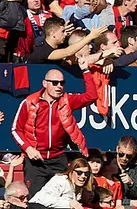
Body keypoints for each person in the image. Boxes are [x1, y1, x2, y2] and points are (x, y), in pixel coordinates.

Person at [11, 63, 98, 197]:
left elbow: (91, 96)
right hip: (35, 161)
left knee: (64, 198)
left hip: (58, 158)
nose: (59, 86)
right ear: (45, 83)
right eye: (55, 83)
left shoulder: (67, 100)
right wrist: (28, 148)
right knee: (35, 200)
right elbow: (16, 130)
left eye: (62, 83)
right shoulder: (30, 102)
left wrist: (86, 71)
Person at [28, 158, 93, 209]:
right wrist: (69, 203)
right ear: (71, 171)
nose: (83, 176)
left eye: (86, 173)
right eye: (79, 173)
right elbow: (44, 199)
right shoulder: (60, 181)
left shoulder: (79, 187)